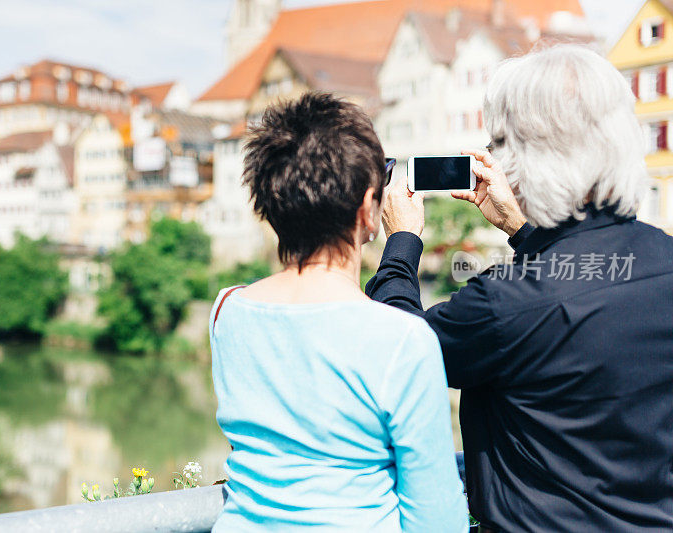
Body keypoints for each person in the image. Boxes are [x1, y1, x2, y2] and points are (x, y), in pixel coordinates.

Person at [366, 44, 673, 532]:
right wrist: (525, 232)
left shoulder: (507, 303)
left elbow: (395, 348)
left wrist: (401, 241)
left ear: (525, 158)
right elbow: (578, 280)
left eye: (499, 145)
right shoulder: (661, 257)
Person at [210, 93, 468, 532]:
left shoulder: (227, 310)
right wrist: (404, 238)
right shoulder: (403, 340)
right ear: (368, 208)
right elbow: (438, 522)